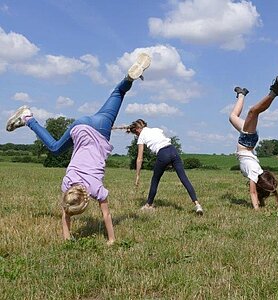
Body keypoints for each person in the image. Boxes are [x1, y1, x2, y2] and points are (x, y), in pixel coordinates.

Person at [5, 52, 152, 244]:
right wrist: (67, 238)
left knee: (118, 94)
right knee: (56, 147)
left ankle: (27, 118)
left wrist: (111, 240)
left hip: (101, 129)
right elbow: (65, 213)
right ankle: (128, 78)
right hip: (81, 126)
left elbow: (106, 216)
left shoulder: (96, 189)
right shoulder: (67, 184)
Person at [126, 119, 204, 215]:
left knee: (155, 180)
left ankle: (148, 205)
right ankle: (197, 204)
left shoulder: (141, 137)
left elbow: (139, 158)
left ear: (137, 130)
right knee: (184, 179)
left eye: (136, 134)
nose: (137, 136)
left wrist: (137, 175)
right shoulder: (157, 130)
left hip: (163, 154)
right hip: (173, 151)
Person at [228, 76, 278, 210]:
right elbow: (253, 192)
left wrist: (259, 204)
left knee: (233, 117)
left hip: (248, 141)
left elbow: (254, 192)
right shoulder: (255, 173)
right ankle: (274, 93)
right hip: (247, 141)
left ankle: (242, 94)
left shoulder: (257, 172)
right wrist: (257, 208)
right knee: (253, 111)